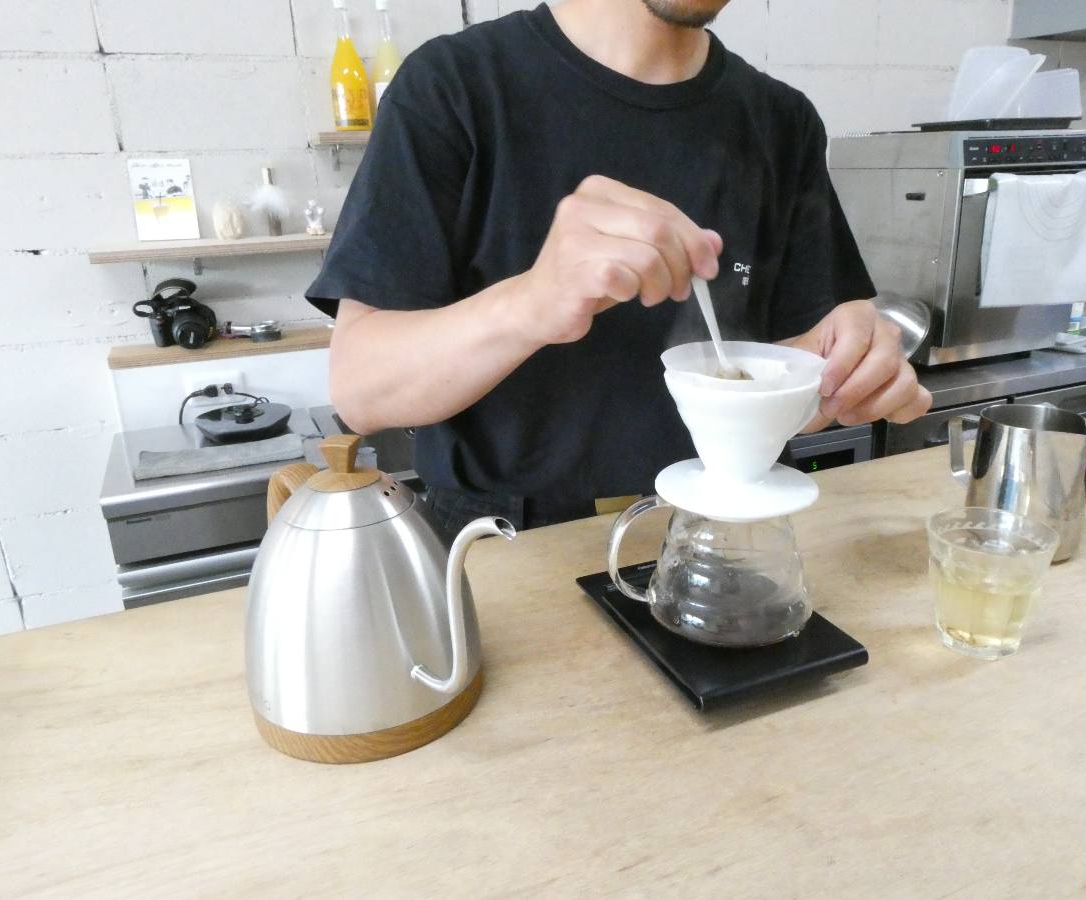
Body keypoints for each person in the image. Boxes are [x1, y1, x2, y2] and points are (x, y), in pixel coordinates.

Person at [306, 0, 932, 535]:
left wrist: (850, 375)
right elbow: (361, 389)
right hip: (502, 544)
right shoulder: (454, 86)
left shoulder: (781, 120)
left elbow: (812, 361)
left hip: (713, 531)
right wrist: (532, 303)